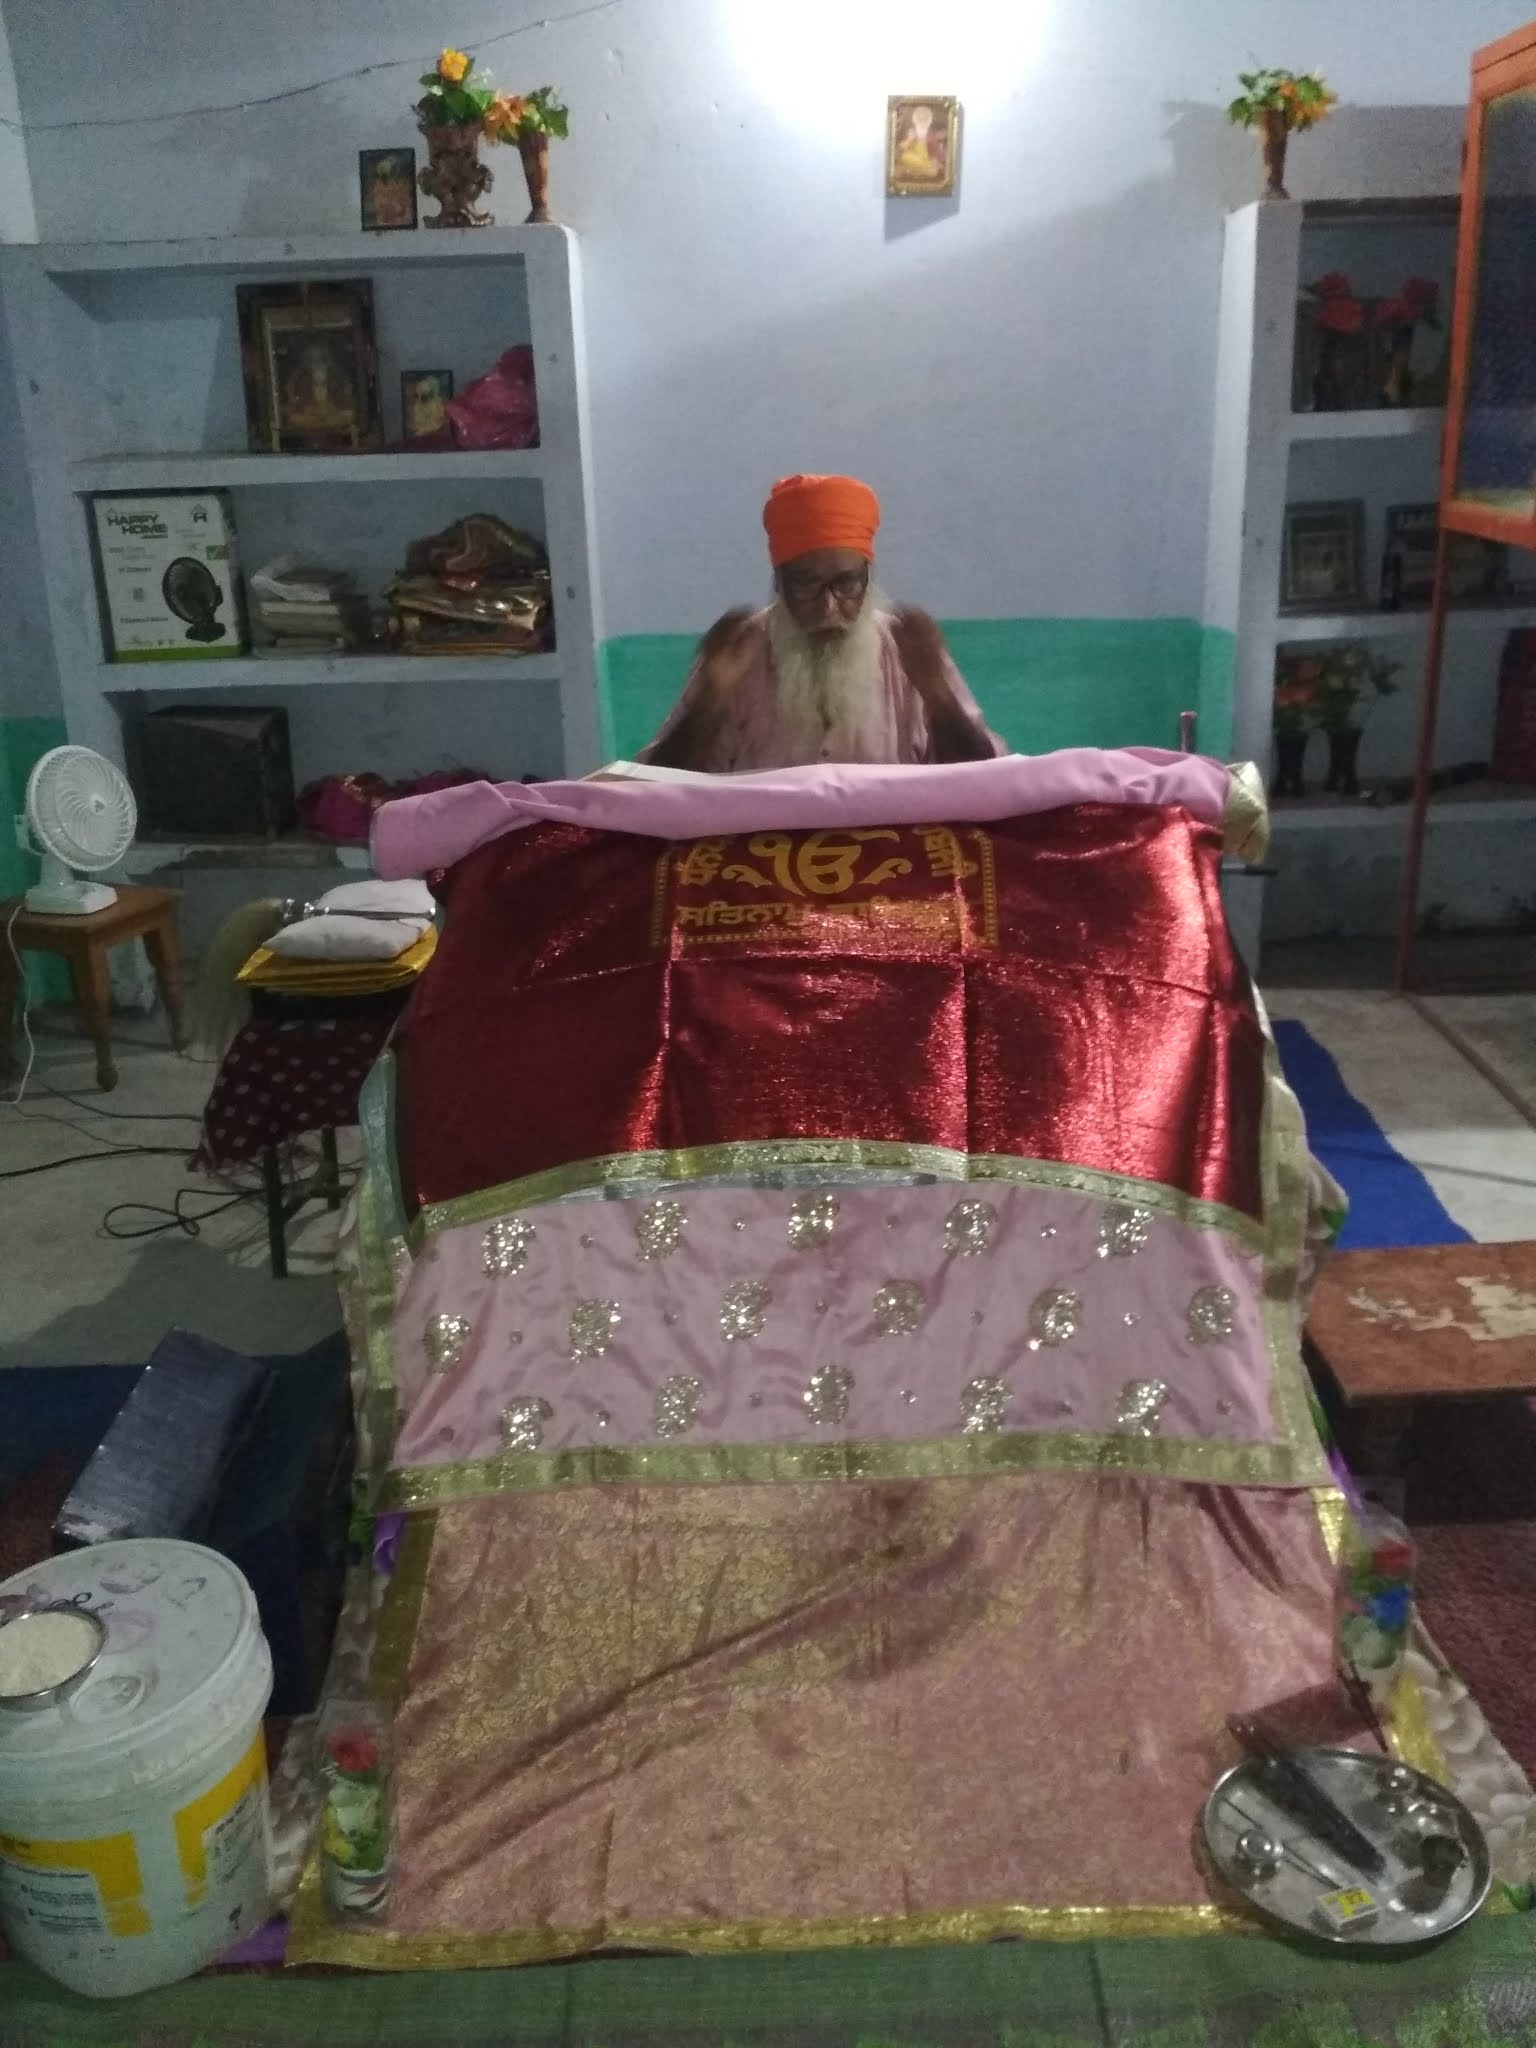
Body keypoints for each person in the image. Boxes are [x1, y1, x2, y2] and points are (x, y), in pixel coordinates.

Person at [642, 473, 1004, 772]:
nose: (828, 608)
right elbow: (656, 789)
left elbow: (988, 782)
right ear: (779, 582)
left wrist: (938, 694)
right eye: (806, 585)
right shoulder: (740, 651)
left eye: (846, 584)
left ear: (867, 578)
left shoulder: (907, 651)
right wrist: (711, 699)